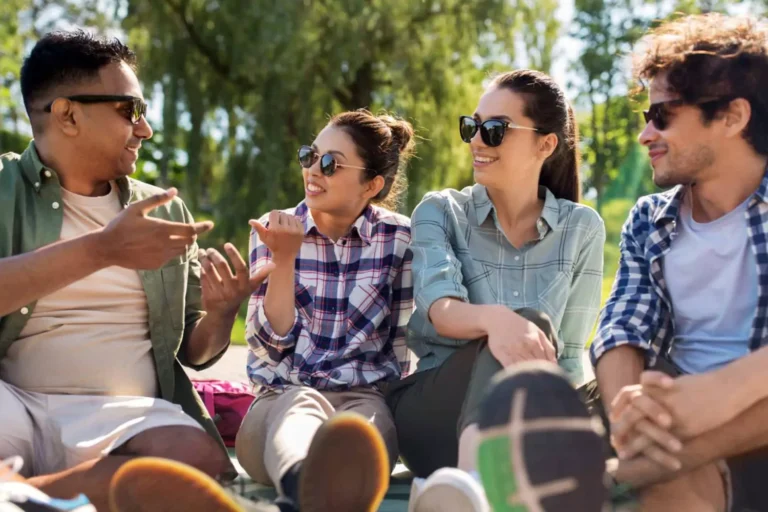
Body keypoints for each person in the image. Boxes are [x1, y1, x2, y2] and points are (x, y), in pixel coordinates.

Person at [0, 31, 274, 511]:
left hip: (122, 415)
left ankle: (28, 494)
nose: (144, 129)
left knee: (194, 458)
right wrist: (102, 249)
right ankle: (83, 489)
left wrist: (220, 312)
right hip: (11, 402)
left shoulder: (163, 210)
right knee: (175, 491)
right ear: (67, 115)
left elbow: (196, 351)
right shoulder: (2, 188)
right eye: (130, 111)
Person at [386, 69, 606, 512]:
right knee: (525, 323)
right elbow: (441, 310)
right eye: (472, 126)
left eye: (495, 130)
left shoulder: (582, 228)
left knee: (626, 387)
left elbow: (566, 357)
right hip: (434, 417)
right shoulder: (441, 210)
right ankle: (475, 483)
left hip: (528, 417)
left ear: (545, 144)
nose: (477, 141)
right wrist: (499, 321)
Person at [587, 13, 768, 512]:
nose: (646, 135)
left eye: (662, 115)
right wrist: (629, 420)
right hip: (666, 411)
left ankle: (601, 481)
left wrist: (723, 391)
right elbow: (623, 324)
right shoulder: (650, 220)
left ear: (732, 116)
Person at [234, 110, 415, 512]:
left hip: (362, 398)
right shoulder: (273, 228)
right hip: (279, 400)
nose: (314, 170)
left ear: (372, 185)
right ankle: (300, 485)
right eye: (309, 156)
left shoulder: (399, 239)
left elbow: (402, 344)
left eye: (330, 164)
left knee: (362, 428)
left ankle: (314, 492)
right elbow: (271, 348)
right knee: (300, 405)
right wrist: (284, 260)